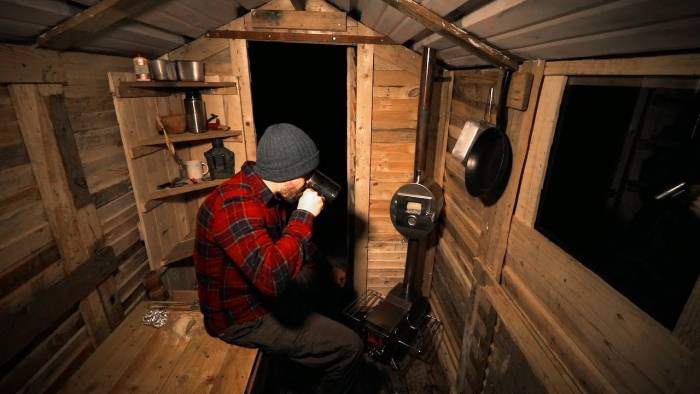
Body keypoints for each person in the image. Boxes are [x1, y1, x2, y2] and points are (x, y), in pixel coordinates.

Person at [194, 123, 363, 394]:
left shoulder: (267, 190)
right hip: (241, 317)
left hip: (264, 297)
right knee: (349, 347)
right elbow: (271, 278)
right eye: (308, 175)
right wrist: (304, 214)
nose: (311, 182)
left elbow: (289, 241)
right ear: (289, 177)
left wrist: (329, 268)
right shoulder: (234, 207)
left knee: (325, 289)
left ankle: (296, 369)